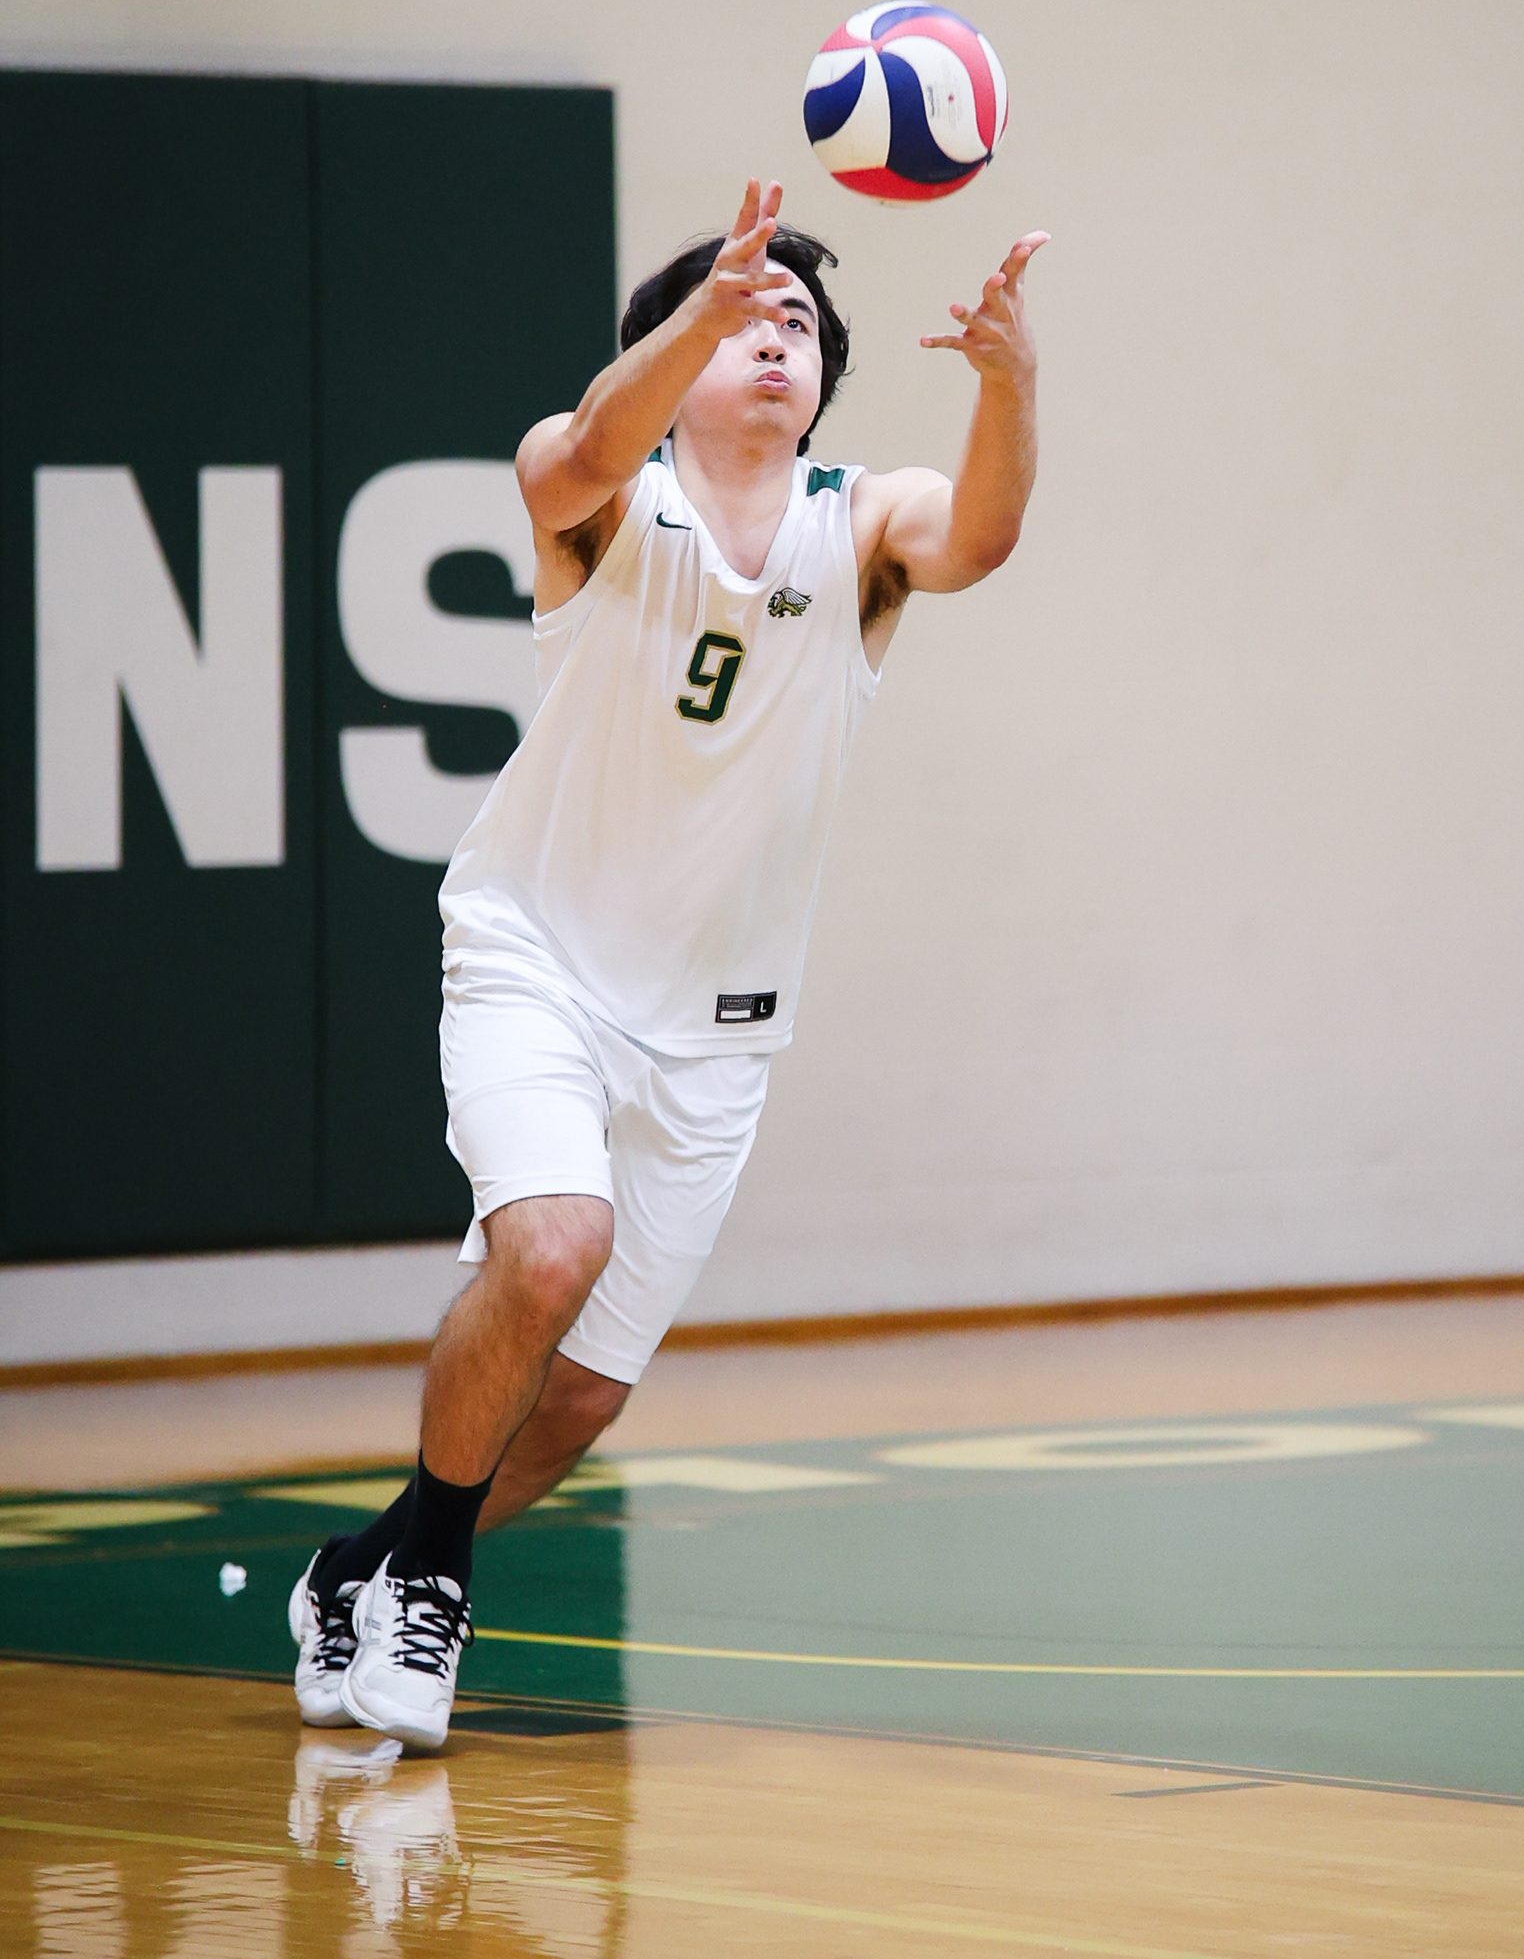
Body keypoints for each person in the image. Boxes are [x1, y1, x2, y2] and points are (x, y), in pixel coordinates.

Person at [288, 178, 1048, 1747]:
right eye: (741, 317)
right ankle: (428, 1596)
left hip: (718, 1029)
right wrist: (699, 310)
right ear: (668, 354)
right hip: (538, 966)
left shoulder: (863, 527)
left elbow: (979, 537)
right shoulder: (609, 506)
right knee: (551, 1248)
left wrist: (1009, 382)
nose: (775, 337)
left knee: (578, 1400)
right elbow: (576, 451)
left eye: (796, 327)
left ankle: (358, 1570)